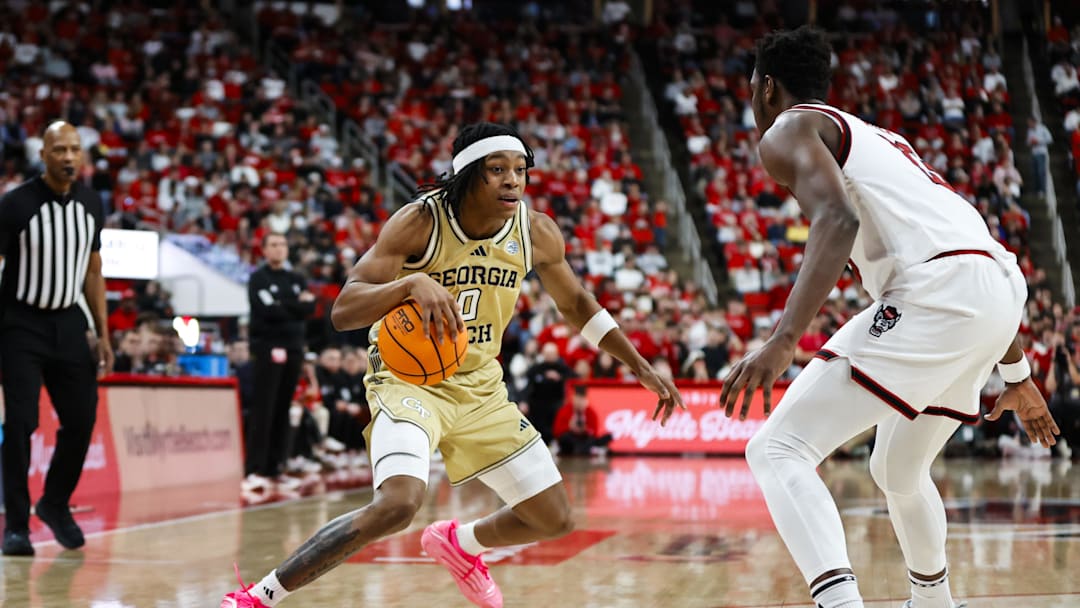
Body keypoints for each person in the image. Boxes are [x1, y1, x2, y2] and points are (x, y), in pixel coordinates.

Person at [221, 122, 682, 608]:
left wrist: (638, 365)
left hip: (481, 388)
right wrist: (406, 286)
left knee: (554, 519)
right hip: (408, 382)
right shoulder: (420, 221)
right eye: (497, 170)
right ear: (466, 175)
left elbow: (578, 304)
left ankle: (460, 545)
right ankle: (257, 597)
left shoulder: (536, 230)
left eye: (520, 170)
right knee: (398, 504)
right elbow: (343, 310)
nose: (513, 181)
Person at [718, 27, 1060, 608]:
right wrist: (1020, 376)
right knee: (898, 468)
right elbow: (974, 264)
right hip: (997, 289)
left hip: (939, 292)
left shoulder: (790, 127)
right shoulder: (881, 138)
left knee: (777, 449)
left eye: (752, 87)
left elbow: (836, 220)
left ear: (767, 86)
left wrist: (783, 340)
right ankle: (933, 602)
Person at [0, 121, 114, 556]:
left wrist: (103, 334)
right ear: (43, 155)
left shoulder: (91, 202)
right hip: (20, 323)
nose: (68, 157)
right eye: (59, 150)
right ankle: (16, 525)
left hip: (69, 322)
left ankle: (54, 503)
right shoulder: (15, 205)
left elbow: (92, 271)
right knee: (22, 424)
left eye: (74, 150)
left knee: (83, 419)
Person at [243, 232, 316, 493]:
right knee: (264, 409)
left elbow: (310, 309)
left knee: (284, 409)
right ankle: (253, 470)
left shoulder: (296, 278)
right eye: (274, 245)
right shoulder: (258, 278)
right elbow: (267, 311)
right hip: (268, 348)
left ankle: (275, 468)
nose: (279, 249)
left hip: (294, 349)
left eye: (283, 244)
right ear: (263, 250)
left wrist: (286, 307)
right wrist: (295, 306)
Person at [553, 385, 613, 456]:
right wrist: (569, 427)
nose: (579, 402)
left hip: (584, 438)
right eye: (578, 398)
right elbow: (557, 431)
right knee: (566, 438)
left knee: (600, 438)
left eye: (581, 399)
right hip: (570, 438)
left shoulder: (590, 412)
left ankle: (581, 449)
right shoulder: (564, 411)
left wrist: (585, 430)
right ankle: (585, 449)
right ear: (573, 398)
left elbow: (594, 432)